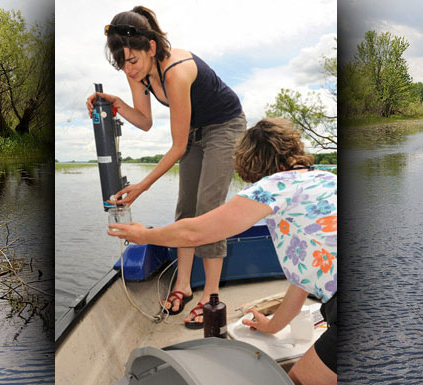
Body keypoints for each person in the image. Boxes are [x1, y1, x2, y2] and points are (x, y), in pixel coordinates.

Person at [108, 118, 337, 385]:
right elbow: (301, 284)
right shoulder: (326, 178)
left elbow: (195, 232)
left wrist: (143, 235)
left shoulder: (274, 185)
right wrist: (272, 326)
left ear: (253, 164)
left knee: (298, 381)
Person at [86, 6, 246, 326]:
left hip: (224, 128)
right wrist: (115, 102)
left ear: (152, 47)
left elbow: (178, 146)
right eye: (122, 63)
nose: (128, 69)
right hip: (193, 133)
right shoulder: (137, 71)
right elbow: (144, 121)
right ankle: (183, 285)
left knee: (207, 210)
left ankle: (211, 297)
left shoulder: (177, 71)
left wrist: (142, 187)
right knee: (185, 209)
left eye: (132, 61)